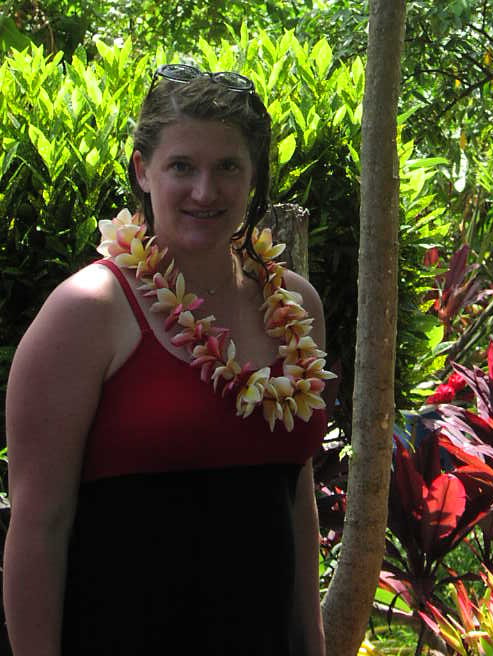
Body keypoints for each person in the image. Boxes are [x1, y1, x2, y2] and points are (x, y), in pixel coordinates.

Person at [3, 63, 332, 655]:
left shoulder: (295, 306)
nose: (205, 191)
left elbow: (295, 497)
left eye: (228, 166)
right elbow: (37, 527)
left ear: (254, 175)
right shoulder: (87, 311)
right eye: (182, 166)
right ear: (142, 170)